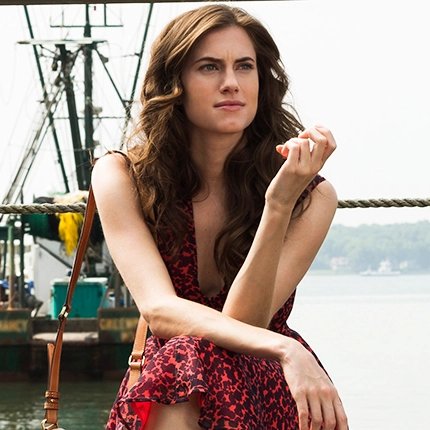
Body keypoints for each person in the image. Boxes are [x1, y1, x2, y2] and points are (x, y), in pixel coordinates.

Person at [92, 4, 348, 430]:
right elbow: (159, 311)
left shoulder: (311, 196)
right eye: (210, 67)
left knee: (188, 357)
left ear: (262, 80)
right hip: (179, 379)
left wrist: (277, 205)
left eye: (244, 66)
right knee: (184, 357)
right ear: (175, 83)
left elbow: (246, 325)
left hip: (262, 380)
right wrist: (288, 349)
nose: (231, 83)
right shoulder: (123, 176)